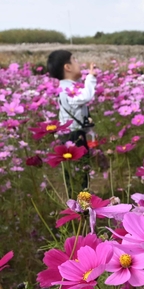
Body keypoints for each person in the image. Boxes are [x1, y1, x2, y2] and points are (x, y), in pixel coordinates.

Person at [46, 50, 98, 193]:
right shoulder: (67, 88)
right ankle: (79, 198)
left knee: (79, 168)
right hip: (72, 135)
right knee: (79, 168)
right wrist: (91, 78)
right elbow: (86, 96)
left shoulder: (68, 86)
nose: (78, 63)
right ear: (67, 67)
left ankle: (80, 196)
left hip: (74, 132)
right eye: (74, 60)